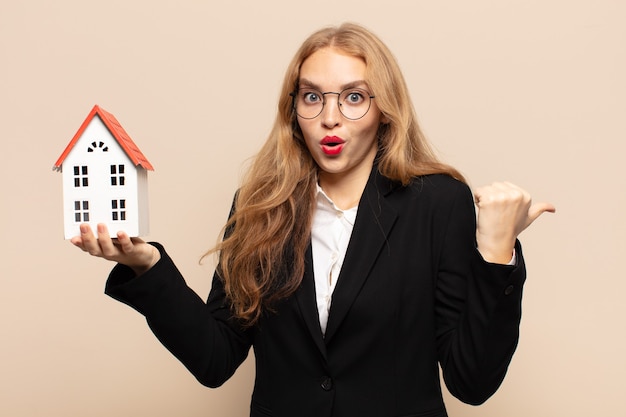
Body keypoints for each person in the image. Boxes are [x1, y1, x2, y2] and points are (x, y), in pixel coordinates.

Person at [71, 22, 554, 417]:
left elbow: (471, 383)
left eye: (354, 97)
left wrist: (496, 253)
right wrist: (145, 263)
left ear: (385, 110)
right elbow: (215, 357)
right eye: (312, 97)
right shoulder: (260, 205)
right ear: (294, 109)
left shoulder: (439, 203)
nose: (330, 118)